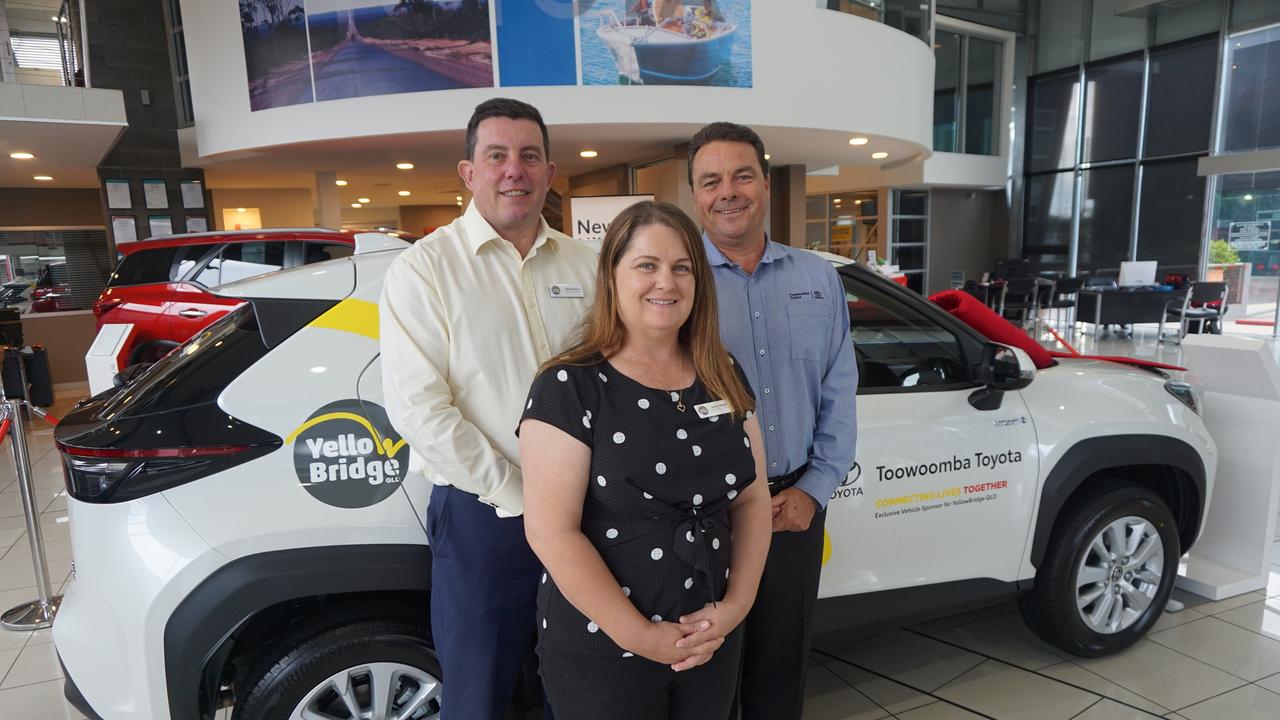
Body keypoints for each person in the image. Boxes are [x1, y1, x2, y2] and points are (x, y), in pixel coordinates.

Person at [380, 97, 599, 719]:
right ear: (468, 172)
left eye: (530, 156)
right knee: (482, 697)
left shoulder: (587, 265)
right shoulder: (424, 271)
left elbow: (610, 379)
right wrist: (526, 495)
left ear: (550, 172)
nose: (515, 171)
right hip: (485, 517)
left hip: (587, 510)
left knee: (573, 688)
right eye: (496, 155)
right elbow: (422, 411)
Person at [518, 201, 774, 720]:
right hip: (604, 646)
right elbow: (550, 532)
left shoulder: (722, 371)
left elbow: (751, 499)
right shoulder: (569, 385)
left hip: (708, 637)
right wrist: (643, 637)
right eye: (646, 265)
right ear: (611, 275)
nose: (667, 281)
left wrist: (734, 609)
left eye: (682, 267)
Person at [687, 122, 859, 720]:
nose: (727, 192)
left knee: (779, 672)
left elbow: (840, 391)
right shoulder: (677, 285)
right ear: (695, 195)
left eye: (741, 176)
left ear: (765, 182)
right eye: (711, 181)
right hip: (703, 519)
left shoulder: (819, 279)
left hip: (793, 511)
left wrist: (814, 489)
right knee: (706, 673)